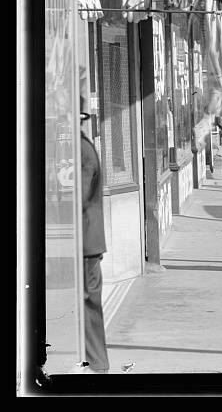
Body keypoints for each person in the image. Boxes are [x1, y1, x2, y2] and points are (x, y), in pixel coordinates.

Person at [80, 119, 110, 374]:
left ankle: (97, 364)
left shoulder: (80, 149)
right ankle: (95, 362)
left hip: (85, 240)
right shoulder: (81, 146)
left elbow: (77, 196)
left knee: (88, 302)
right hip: (86, 238)